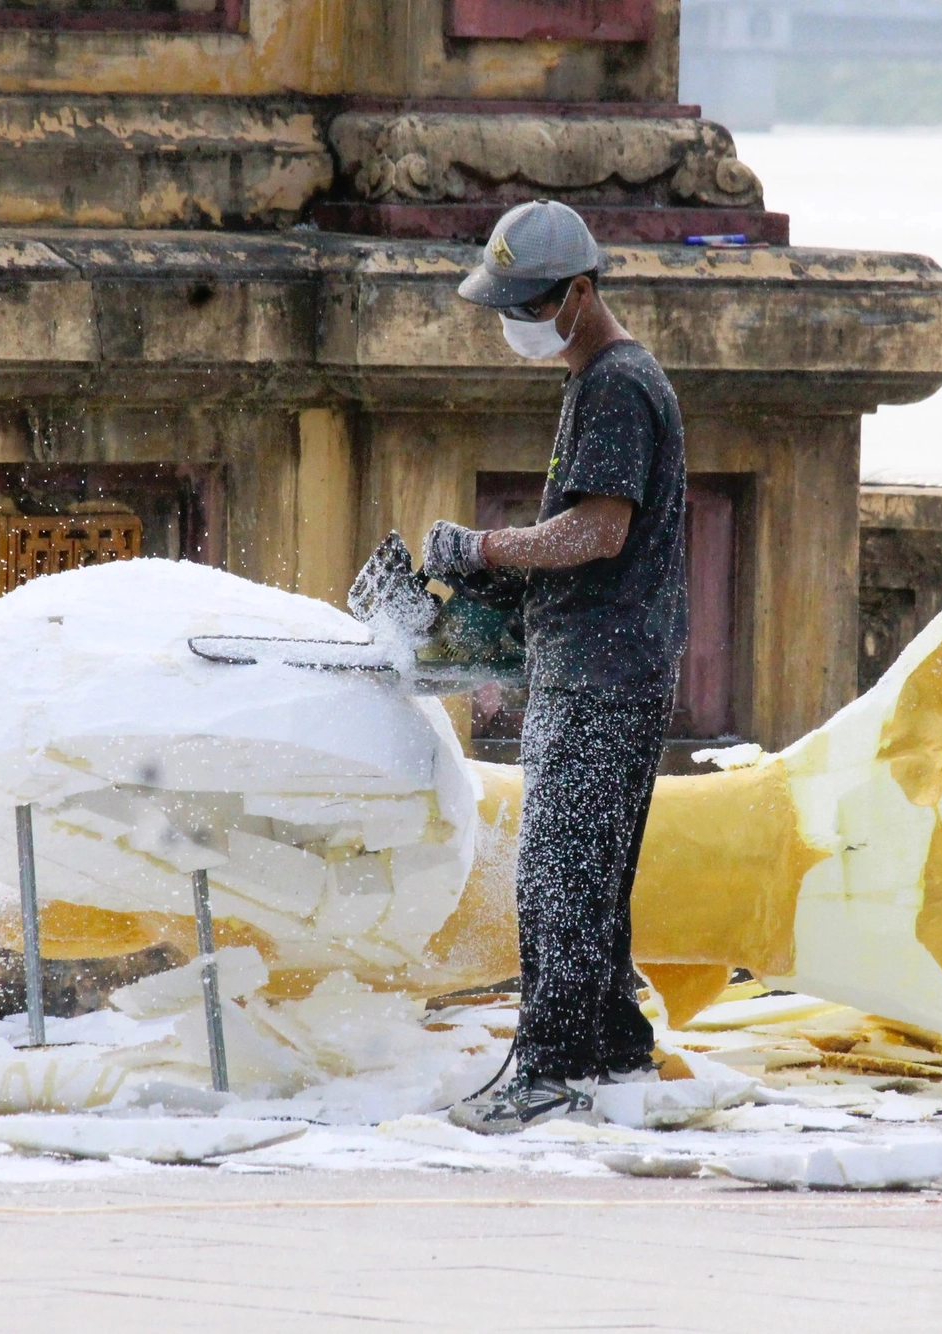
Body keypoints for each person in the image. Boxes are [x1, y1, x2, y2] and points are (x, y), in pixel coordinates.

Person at [427, 200, 687, 1133]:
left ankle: (551, 1067)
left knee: (559, 873)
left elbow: (598, 529)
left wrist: (485, 553)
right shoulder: (601, 378)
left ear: (580, 293)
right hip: (606, 662)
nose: (516, 324)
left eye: (529, 305)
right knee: (593, 869)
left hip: (604, 671)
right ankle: (614, 1047)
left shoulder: (618, 385)